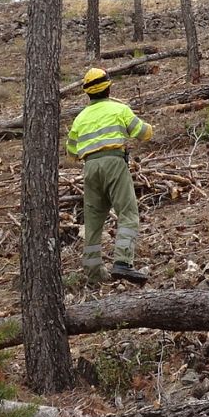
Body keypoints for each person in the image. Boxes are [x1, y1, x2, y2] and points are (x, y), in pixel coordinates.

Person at [66, 67, 154, 284]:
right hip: (114, 163)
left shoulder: (79, 119)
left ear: (87, 92)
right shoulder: (119, 109)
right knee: (128, 212)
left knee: (93, 222)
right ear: (109, 87)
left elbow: (71, 153)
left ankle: (93, 272)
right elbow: (143, 133)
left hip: (89, 168)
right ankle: (123, 262)